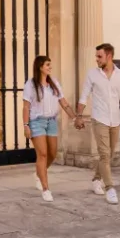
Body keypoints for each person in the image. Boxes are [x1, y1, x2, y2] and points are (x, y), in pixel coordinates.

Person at [75, 43, 120, 204]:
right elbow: (84, 96)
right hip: (99, 119)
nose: (96, 59)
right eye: (96, 56)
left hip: (115, 120)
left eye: (99, 56)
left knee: (109, 154)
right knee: (105, 154)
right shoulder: (92, 74)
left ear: (109, 56)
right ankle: (110, 188)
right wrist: (79, 116)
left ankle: (96, 179)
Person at [23, 55, 78, 202]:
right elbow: (26, 106)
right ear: (40, 67)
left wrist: (74, 117)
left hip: (52, 121)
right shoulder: (31, 84)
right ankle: (46, 188)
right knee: (42, 154)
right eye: (47, 65)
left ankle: (38, 174)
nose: (50, 67)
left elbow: (64, 103)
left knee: (53, 154)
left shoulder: (54, 83)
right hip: (37, 122)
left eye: (50, 65)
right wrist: (25, 125)